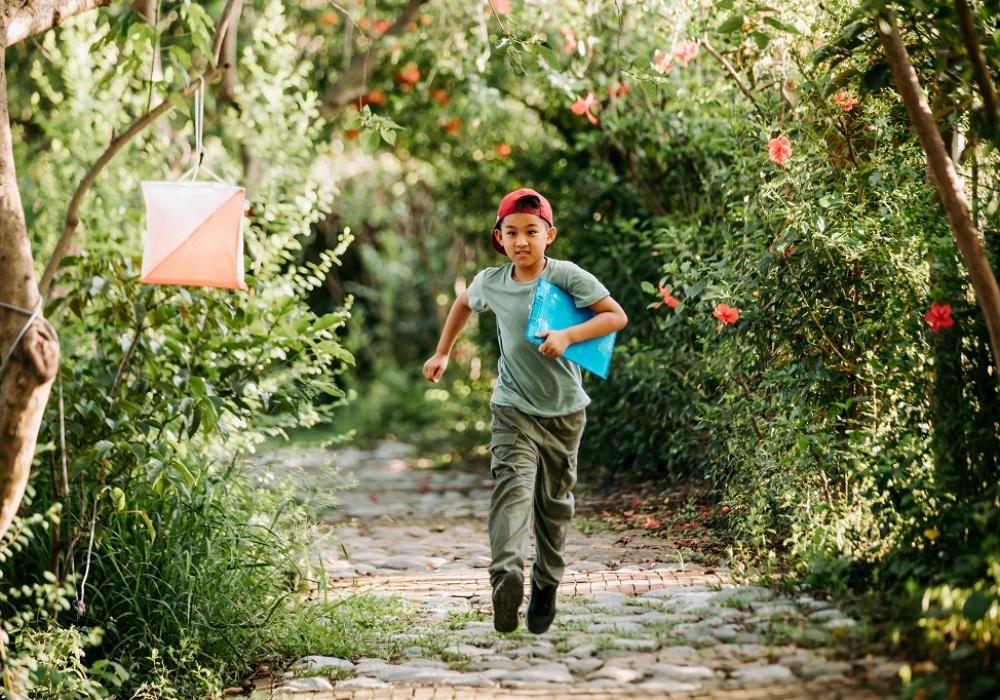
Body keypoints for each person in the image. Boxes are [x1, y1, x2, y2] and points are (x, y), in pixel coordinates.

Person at [422, 188, 628, 634]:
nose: (521, 241)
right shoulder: (492, 282)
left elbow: (615, 316)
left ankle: (546, 583)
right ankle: (506, 577)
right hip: (512, 408)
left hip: (565, 413)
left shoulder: (567, 276)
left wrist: (569, 336)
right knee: (512, 489)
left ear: (548, 235)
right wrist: (442, 352)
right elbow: (463, 303)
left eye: (531, 232)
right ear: (499, 238)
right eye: (511, 233)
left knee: (554, 506)